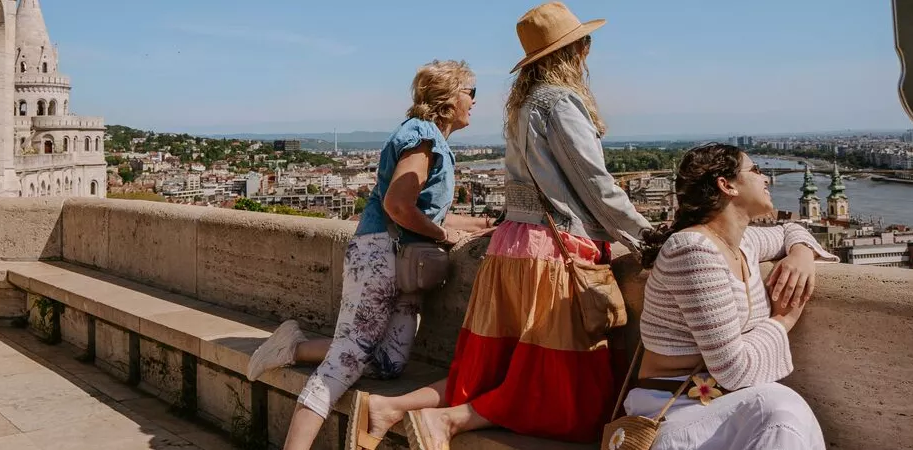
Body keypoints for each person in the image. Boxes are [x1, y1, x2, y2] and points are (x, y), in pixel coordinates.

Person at [395, 2, 655, 447]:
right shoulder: (560, 102)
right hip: (553, 251)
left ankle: (388, 408)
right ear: (578, 51)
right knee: (564, 394)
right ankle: (448, 422)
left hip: (514, 245)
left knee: (496, 372)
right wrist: (648, 239)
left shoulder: (523, 105)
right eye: (584, 43)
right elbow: (594, 182)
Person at [242, 59, 491, 450]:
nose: (475, 101)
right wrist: (444, 233)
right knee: (347, 359)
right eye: (470, 91)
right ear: (447, 97)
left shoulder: (432, 140)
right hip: (381, 254)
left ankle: (292, 347)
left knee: (390, 362)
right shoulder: (421, 136)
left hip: (402, 258)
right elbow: (397, 205)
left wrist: (480, 227)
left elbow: (423, 208)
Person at [622, 143, 838, 449]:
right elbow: (734, 370)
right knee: (779, 408)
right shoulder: (693, 250)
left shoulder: (743, 242)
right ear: (727, 186)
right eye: (755, 170)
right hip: (675, 406)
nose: (766, 178)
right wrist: (783, 319)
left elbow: (791, 229)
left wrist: (801, 254)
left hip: (718, 404)